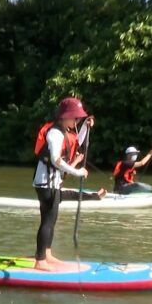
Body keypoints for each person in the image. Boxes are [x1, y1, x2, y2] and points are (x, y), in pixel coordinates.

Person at [32, 97, 105, 271]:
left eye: (79, 118)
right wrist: (77, 172)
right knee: (47, 221)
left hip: (53, 183)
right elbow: (57, 160)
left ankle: (47, 254)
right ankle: (40, 260)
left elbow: (76, 142)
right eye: (76, 118)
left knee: (52, 219)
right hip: (45, 183)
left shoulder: (64, 131)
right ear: (65, 116)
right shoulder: (55, 133)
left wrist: (86, 126)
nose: (77, 121)